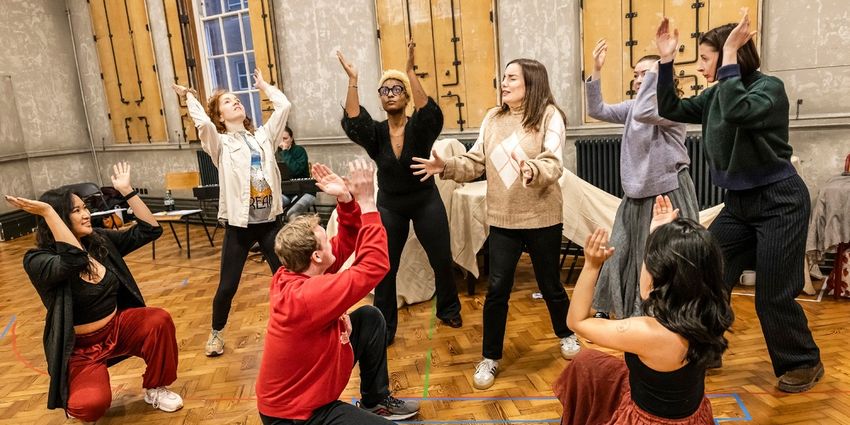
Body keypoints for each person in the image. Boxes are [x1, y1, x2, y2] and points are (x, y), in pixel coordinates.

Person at [655, 10, 824, 392]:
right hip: (739, 205)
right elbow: (671, 109)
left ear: (732, 55)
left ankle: (803, 361)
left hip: (780, 201)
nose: (699, 66)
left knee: (772, 295)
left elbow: (737, 110)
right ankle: (706, 349)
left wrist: (731, 52)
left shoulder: (769, 89)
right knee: (707, 275)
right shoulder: (716, 93)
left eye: (705, 57)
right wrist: (666, 61)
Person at [412, 58, 578, 390]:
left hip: (543, 217)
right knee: (497, 289)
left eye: (511, 78)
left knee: (551, 285)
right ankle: (490, 357)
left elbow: (553, 162)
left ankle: (567, 333)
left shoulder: (549, 116)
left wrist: (530, 169)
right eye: (503, 77)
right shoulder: (493, 117)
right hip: (503, 219)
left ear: (530, 83)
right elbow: (476, 161)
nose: (503, 83)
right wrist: (445, 166)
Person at [9, 162, 182, 422]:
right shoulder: (37, 259)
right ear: (57, 218)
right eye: (76, 211)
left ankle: (155, 388)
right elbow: (73, 261)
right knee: (89, 408)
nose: (86, 214)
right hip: (80, 349)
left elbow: (150, 230)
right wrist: (47, 211)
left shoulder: (98, 240)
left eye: (85, 208)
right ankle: (78, 390)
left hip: (117, 329)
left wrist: (127, 191)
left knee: (158, 320)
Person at [256, 159, 419, 424]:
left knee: (369, 318)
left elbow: (345, 240)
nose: (331, 241)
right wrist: (366, 204)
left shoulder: (299, 270)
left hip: (307, 396)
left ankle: (375, 401)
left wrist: (345, 199)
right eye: (324, 238)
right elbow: (375, 265)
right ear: (317, 256)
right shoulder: (307, 295)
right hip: (296, 416)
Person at [554, 196, 734, 425]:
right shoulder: (708, 309)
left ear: (662, 278)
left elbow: (576, 322)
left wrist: (591, 266)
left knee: (586, 361)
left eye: (649, 262)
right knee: (588, 362)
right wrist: (657, 232)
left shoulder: (648, 332)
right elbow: (647, 291)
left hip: (649, 420)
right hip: (692, 415)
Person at [337, 41, 462, 345]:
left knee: (441, 259)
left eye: (397, 89)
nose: (390, 93)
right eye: (385, 90)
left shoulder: (419, 127)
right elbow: (354, 121)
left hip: (424, 201)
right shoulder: (376, 134)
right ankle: (385, 326)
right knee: (384, 266)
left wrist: (409, 72)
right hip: (390, 205)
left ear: (406, 96)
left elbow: (430, 112)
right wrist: (353, 80)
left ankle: (448, 308)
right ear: (380, 99)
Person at [173, 68, 290, 357]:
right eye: (227, 101)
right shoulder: (220, 144)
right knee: (227, 286)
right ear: (221, 117)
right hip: (240, 225)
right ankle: (216, 333)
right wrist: (190, 97)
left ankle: (295, 327)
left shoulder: (264, 136)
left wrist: (264, 85)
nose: (236, 102)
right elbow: (203, 125)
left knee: (287, 279)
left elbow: (284, 106)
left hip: (271, 222)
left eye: (237, 99)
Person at [585, 39, 698, 319]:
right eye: (635, 75)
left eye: (644, 74)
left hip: (666, 193)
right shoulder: (632, 108)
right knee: (621, 250)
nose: (637, 80)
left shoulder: (671, 108)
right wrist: (596, 71)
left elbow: (648, 111)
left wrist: (662, 64)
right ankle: (614, 308)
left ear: (661, 77)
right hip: (635, 194)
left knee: (664, 258)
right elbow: (597, 110)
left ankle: (666, 315)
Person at [275, 125, 317, 220]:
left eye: (285, 138)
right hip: (285, 192)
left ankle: (295, 234)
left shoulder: (299, 150)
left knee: (291, 212)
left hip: (304, 191)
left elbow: (295, 170)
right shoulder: (275, 153)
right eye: (280, 139)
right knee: (271, 208)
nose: (282, 142)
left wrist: (285, 152)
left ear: (291, 138)